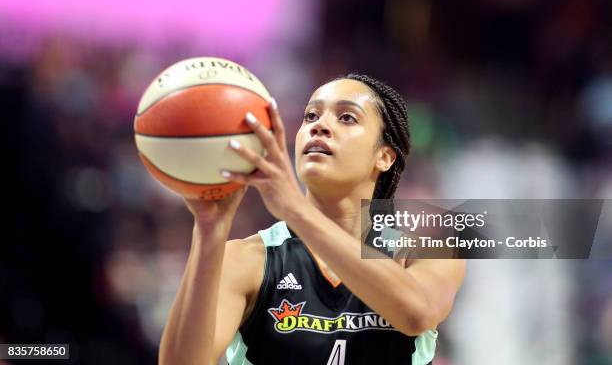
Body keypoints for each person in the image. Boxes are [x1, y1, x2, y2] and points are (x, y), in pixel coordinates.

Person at [158, 74, 466, 365]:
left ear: (384, 156)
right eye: (311, 116)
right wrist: (209, 229)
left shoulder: (428, 250)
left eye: (347, 117)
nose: (320, 126)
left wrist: (296, 210)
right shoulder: (246, 259)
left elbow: (416, 314)